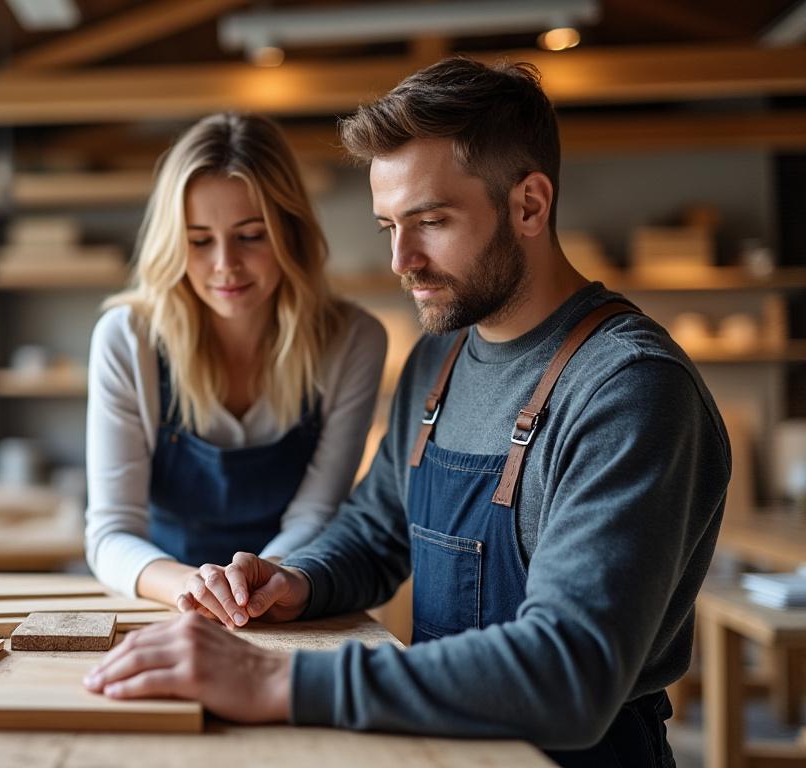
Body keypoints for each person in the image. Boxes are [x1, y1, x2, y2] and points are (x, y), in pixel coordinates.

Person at [83, 59, 729, 767]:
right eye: (388, 225)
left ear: (529, 205)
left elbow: (568, 673)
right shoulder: (439, 358)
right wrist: (298, 581)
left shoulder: (628, 389)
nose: (400, 259)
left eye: (431, 221)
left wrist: (276, 680)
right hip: (440, 744)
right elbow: (374, 531)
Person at [84, 112, 388, 626]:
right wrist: (195, 587)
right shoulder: (127, 339)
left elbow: (316, 513)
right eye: (200, 240)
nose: (225, 263)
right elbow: (111, 533)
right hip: (167, 604)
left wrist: (260, 584)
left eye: (250, 235)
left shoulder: (353, 341)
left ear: (291, 233)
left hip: (289, 598)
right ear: (172, 243)